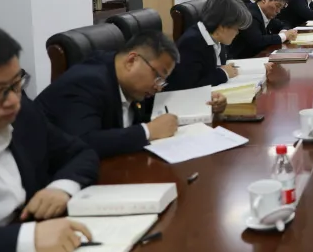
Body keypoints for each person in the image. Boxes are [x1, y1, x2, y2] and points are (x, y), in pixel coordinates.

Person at [0, 21, 98, 252]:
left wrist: (60, 188)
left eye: (17, 84)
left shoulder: (23, 115)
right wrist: (26, 239)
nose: (14, 101)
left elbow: (80, 153)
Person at [38, 31, 225, 158]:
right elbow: (84, 141)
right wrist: (148, 131)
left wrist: (205, 103)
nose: (158, 87)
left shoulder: (131, 85)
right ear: (131, 61)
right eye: (157, 77)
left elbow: (154, 110)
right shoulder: (88, 81)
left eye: (162, 81)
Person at [165, 0, 251, 91]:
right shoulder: (191, 43)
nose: (237, 33)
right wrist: (224, 73)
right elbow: (190, 86)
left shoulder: (217, 39)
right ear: (222, 27)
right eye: (236, 28)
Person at [229, 0, 299, 59]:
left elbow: (285, 23)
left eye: (281, 8)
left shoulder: (265, 14)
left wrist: (284, 31)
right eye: (277, 6)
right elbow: (257, 41)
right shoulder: (250, 14)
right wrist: (284, 36)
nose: (278, 11)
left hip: (258, 57)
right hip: (241, 60)